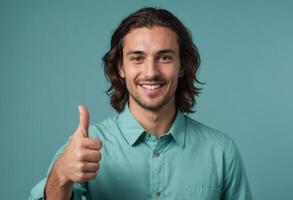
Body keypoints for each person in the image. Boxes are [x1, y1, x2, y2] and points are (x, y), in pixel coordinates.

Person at [29, 7, 252, 200]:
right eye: (137, 58)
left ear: (182, 65)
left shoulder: (221, 152)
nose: (151, 72)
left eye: (164, 57)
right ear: (120, 67)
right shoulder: (84, 148)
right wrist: (60, 177)